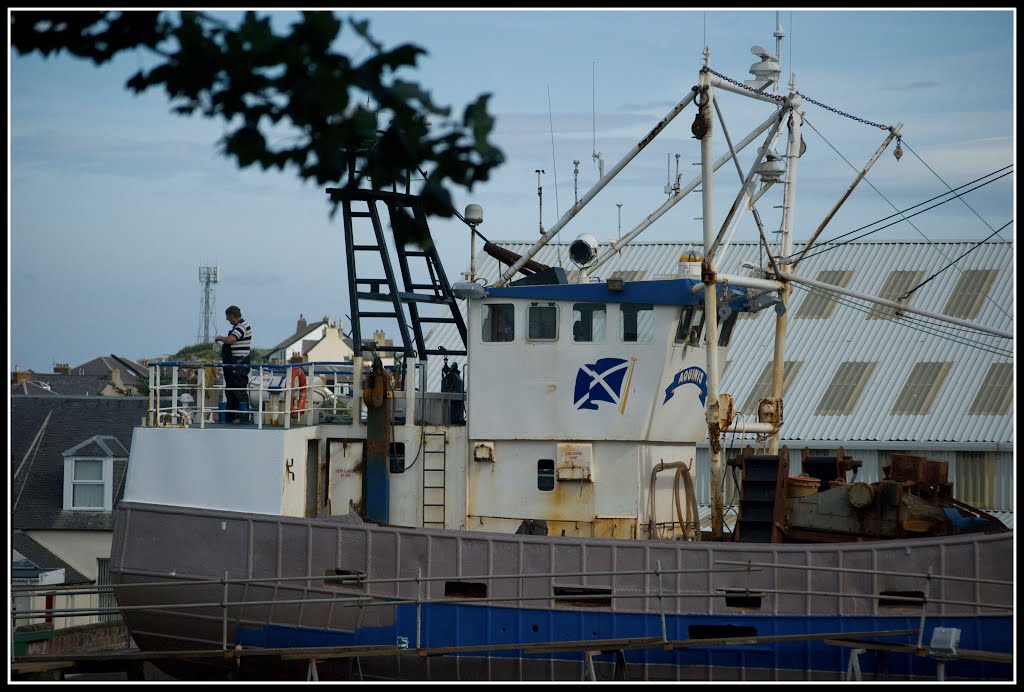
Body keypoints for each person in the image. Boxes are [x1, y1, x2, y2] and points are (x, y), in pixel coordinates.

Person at [214, 305, 252, 423]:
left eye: (227, 317)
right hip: (234, 365)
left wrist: (220, 338)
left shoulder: (242, 327)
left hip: (238, 365)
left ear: (231, 315)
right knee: (231, 390)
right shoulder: (239, 327)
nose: (227, 319)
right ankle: (233, 416)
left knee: (238, 390)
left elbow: (231, 340)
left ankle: (241, 417)